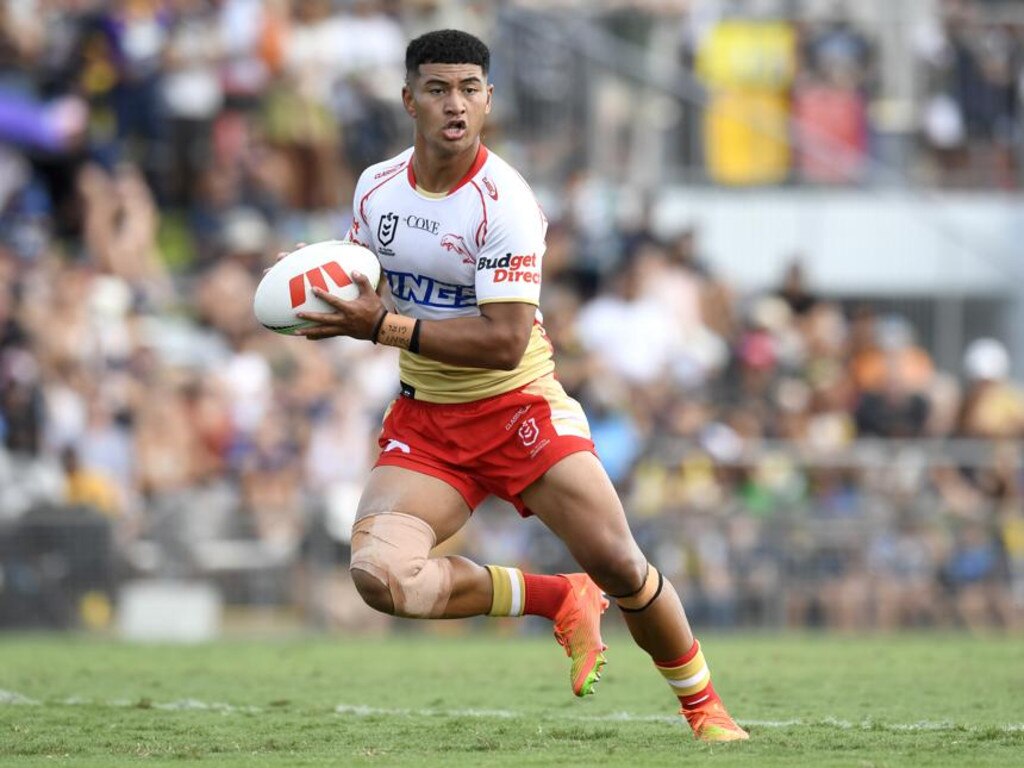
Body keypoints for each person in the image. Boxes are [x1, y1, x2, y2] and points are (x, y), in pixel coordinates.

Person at [289, 29, 748, 742]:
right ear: (408, 98)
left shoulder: (504, 201)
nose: (455, 104)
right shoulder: (375, 187)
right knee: (380, 577)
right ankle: (558, 598)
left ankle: (705, 709)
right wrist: (315, 281)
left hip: (518, 411)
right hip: (427, 421)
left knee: (621, 563)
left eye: (470, 89)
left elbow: (504, 343)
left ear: (489, 100)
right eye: (438, 88)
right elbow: (373, 275)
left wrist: (384, 329)